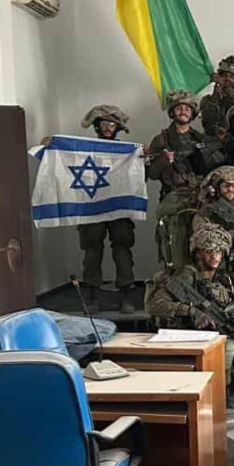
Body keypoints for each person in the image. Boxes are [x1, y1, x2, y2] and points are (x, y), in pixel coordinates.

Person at [145, 224, 234, 390]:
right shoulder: (186, 277)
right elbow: (155, 305)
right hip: (185, 333)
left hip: (214, 331)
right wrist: (192, 311)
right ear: (198, 253)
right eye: (209, 251)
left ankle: (222, 391)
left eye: (219, 252)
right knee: (228, 347)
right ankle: (218, 392)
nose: (215, 256)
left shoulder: (223, 278)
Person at [75, 105, 138, 313]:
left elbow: (139, 175)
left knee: (122, 250)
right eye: (104, 123)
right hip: (92, 206)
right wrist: (51, 145)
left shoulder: (126, 153)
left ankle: (127, 294)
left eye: (112, 124)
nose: (108, 127)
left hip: (119, 207)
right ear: (96, 126)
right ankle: (92, 295)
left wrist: (142, 156)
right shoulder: (83, 151)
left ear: (117, 127)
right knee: (92, 251)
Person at [147, 90, 219, 268]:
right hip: (174, 199)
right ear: (172, 112)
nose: (183, 112)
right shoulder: (162, 140)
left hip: (199, 198)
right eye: (179, 108)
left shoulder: (200, 139)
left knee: (203, 245)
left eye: (187, 109)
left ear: (193, 113)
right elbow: (152, 174)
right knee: (177, 248)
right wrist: (163, 161)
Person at [193, 166, 234, 272]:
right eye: (226, 185)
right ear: (218, 187)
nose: (230, 189)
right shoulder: (208, 210)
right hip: (213, 260)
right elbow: (205, 238)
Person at [200, 55, 234, 137]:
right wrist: (214, 99)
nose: (227, 79)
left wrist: (226, 88)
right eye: (224, 75)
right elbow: (208, 121)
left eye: (231, 77)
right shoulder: (207, 100)